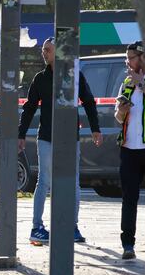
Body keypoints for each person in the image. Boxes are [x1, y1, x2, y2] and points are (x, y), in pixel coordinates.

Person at [18, 37, 102, 243]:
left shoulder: (74, 76)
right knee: (43, 181)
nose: (43, 53)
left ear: (59, 52)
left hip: (69, 138)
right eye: (43, 50)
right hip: (46, 137)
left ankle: (72, 226)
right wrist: (21, 134)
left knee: (73, 182)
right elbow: (29, 107)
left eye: (47, 50)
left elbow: (89, 102)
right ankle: (36, 227)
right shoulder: (40, 78)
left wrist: (95, 129)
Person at [115, 41, 145, 260]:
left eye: (131, 58)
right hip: (129, 149)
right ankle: (128, 244)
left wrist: (142, 83)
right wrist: (121, 110)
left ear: (143, 58)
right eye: (126, 58)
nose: (127, 62)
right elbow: (118, 117)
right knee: (129, 199)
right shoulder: (126, 83)